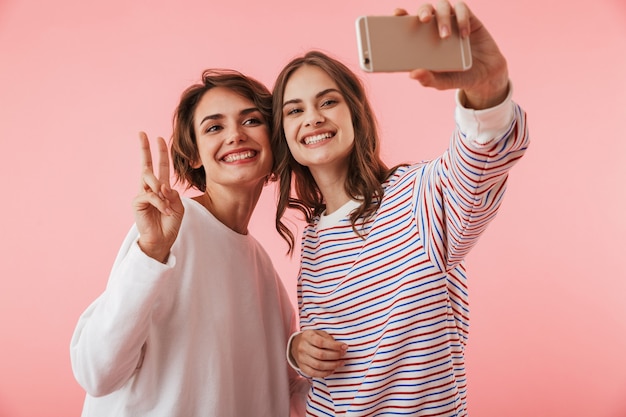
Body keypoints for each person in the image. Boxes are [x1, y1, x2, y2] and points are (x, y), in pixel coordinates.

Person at [270, 2, 529, 416]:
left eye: (327, 102)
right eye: (294, 110)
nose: (313, 118)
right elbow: (333, 366)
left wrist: (488, 90)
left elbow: (479, 164)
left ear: (354, 113)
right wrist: (297, 351)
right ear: (284, 133)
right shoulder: (312, 237)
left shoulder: (415, 198)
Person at [70, 69, 308, 416]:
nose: (235, 136)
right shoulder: (171, 229)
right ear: (194, 155)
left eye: (251, 121)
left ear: (274, 139)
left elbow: (286, 393)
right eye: (214, 127)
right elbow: (96, 372)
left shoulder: (265, 274)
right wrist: (150, 254)